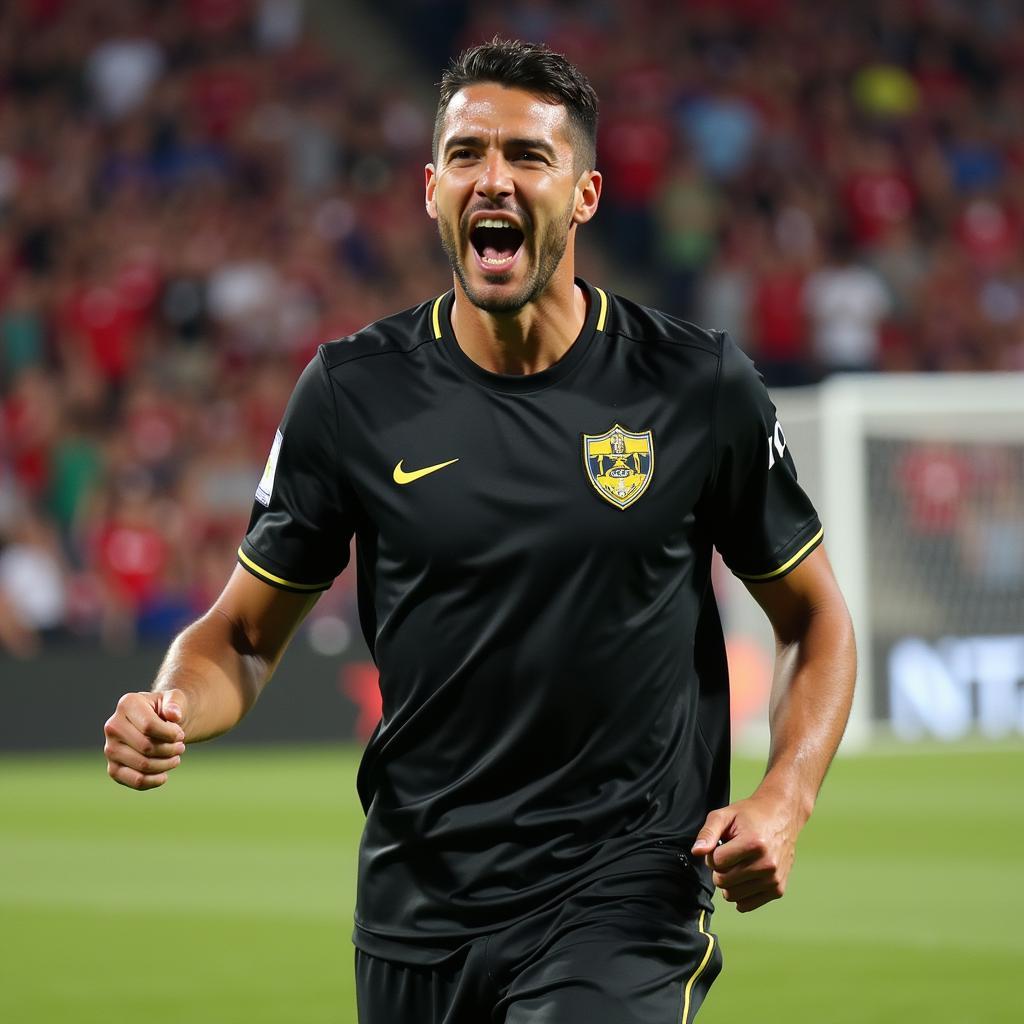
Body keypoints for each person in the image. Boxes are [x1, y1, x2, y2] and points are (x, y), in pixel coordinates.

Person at [103, 38, 856, 1024]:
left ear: (583, 194)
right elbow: (242, 637)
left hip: (622, 895)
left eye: (526, 157)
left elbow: (813, 618)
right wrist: (167, 705)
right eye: (466, 155)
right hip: (416, 909)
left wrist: (785, 798)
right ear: (430, 188)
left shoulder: (692, 386)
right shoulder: (351, 394)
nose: (491, 178)